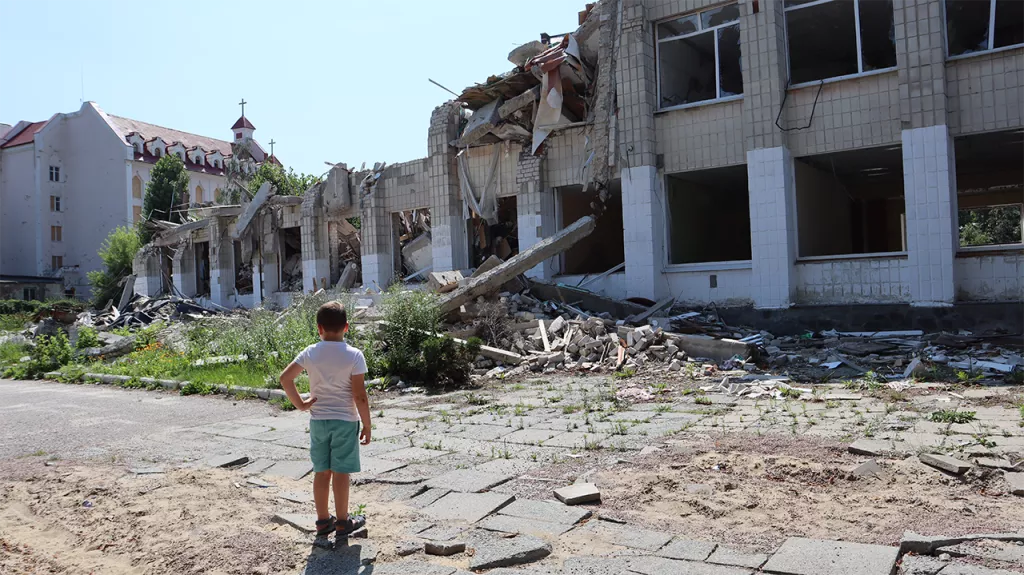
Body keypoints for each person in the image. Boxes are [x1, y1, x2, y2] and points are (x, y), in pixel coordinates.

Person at [279, 301, 371, 539]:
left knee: (322, 472)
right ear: (347, 327)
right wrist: (368, 424)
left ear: (319, 328)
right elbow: (359, 395)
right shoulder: (354, 356)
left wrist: (300, 404)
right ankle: (342, 522)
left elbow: (285, 378)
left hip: (319, 421)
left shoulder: (310, 352)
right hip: (345, 421)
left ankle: (322, 521)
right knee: (341, 473)